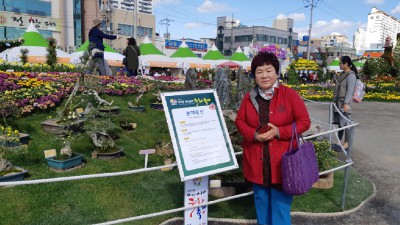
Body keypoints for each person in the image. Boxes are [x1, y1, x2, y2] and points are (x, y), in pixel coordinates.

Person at [235, 51, 311, 225]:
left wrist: (279, 132)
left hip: (282, 164)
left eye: (268, 70)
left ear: (277, 73)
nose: (264, 75)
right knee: (261, 203)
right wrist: (253, 135)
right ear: (254, 75)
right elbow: (240, 121)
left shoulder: (289, 95)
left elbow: (304, 122)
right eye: (259, 71)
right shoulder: (249, 97)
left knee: (280, 207)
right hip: (257, 162)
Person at [332, 56, 357, 150]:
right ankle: (339, 141)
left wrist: (346, 103)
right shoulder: (342, 73)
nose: (339, 65)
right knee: (340, 123)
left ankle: (346, 144)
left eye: (340, 63)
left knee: (346, 123)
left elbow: (350, 91)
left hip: (345, 102)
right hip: (338, 102)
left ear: (346, 64)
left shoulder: (351, 75)